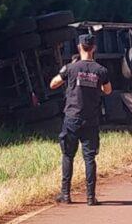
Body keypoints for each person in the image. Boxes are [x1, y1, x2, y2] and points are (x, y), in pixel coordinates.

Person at [48, 33, 112, 205]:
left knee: (68, 155)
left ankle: (65, 195)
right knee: (89, 158)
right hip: (90, 119)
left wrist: (67, 73)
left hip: (71, 118)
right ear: (94, 48)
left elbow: (53, 84)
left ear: (79, 47)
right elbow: (108, 91)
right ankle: (91, 197)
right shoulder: (101, 70)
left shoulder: (70, 68)